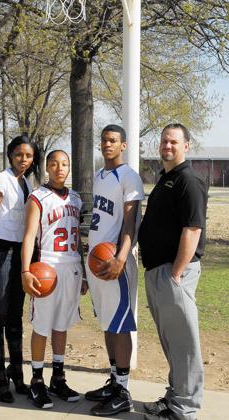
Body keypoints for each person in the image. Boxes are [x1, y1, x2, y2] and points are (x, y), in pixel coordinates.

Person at [138, 123, 207, 420]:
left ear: (186, 146)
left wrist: (176, 274)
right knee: (173, 343)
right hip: (158, 271)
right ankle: (175, 397)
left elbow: (192, 228)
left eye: (174, 142)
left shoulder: (188, 180)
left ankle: (184, 410)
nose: (167, 146)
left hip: (173, 272)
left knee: (184, 345)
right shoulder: (167, 178)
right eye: (164, 141)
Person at [85, 124, 145, 417]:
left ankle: (123, 391)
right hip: (97, 262)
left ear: (123, 145)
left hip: (115, 262)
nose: (107, 144)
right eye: (104, 140)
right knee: (108, 323)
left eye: (113, 141)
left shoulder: (129, 176)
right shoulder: (99, 175)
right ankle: (114, 381)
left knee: (120, 325)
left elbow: (132, 221)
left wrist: (122, 256)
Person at [21, 149, 88, 410]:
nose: (60, 168)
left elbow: (78, 241)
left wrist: (82, 272)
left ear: (69, 168)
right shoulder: (38, 197)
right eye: (54, 164)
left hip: (71, 266)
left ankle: (57, 377)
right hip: (46, 267)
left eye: (64, 164)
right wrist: (26, 271)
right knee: (42, 325)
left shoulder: (77, 198)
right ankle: (37, 381)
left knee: (62, 325)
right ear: (47, 168)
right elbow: (29, 237)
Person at [0, 135, 40, 403]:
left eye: (28, 156)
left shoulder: (27, 182)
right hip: (2, 250)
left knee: (16, 314)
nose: (24, 160)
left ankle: (16, 373)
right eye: (19, 155)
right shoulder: (1, 179)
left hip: (21, 253)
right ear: (10, 155)